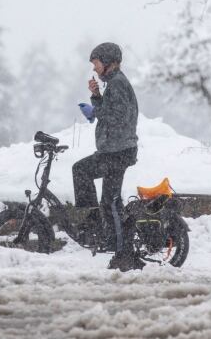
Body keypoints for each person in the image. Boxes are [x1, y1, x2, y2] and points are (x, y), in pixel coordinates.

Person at [72, 42, 142, 270]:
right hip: (115, 151)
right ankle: (103, 232)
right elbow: (111, 111)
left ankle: (113, 243)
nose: (94, 69)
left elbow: (117, 116)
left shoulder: (118, 84)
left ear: (108, 61)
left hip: (117, 152)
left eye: (96, 63)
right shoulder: (114, 84)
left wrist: (96, 110)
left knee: (107, 199)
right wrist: (96, 96)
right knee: (108, 200)